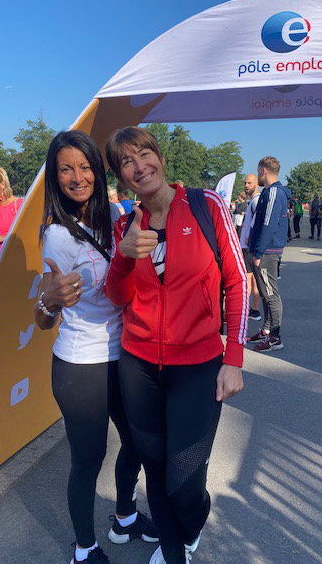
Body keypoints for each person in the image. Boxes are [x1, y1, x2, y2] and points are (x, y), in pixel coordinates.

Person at [104, 126, 247, 564]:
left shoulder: (207, 205)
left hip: (198, 365)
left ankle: (192, 521)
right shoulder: (126, 225)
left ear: (160, 158)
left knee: (184, 482)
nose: (138, 166)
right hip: (139, 365)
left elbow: (237, 281)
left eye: (143, 154)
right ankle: (172, 548)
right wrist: (125, 255)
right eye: (126, 161)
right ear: (121, 176)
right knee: (156, 467)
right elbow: (117, 296)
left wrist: (234, 358)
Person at [34, 131, 157, 564]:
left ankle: (124, 517)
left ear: (98, 172)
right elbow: (43, 315)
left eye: (84, 166)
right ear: (55, 176)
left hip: (125, 355)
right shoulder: (57, 237)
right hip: (81, 364)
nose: (77, 176)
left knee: (140, 442)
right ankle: (84, 549)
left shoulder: (117, 217)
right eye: (65, 168)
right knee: (89, 459)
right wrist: (50, 301)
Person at [246, 156, 290, 352]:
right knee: (265, 292)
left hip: (268, 251)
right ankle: (267, 329)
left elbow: (268, 224)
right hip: (265, 249)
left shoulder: (273, 193)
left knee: (271, 294)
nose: (257, 175)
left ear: (263, 170)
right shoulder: (269, 192)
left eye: (257, 172)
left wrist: (259, 251)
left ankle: (275, 337)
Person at [240, 174, 262, 321]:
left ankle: (242, 311)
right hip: (250, 246)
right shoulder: (255, 201)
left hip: (248, 246)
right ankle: (254, 310)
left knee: (246, 279)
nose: (246, 185)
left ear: (256, 184)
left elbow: (257, 223)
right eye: (245, 183)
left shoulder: (256, 201)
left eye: (250, 183)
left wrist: (250, 239)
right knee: (253, 279)